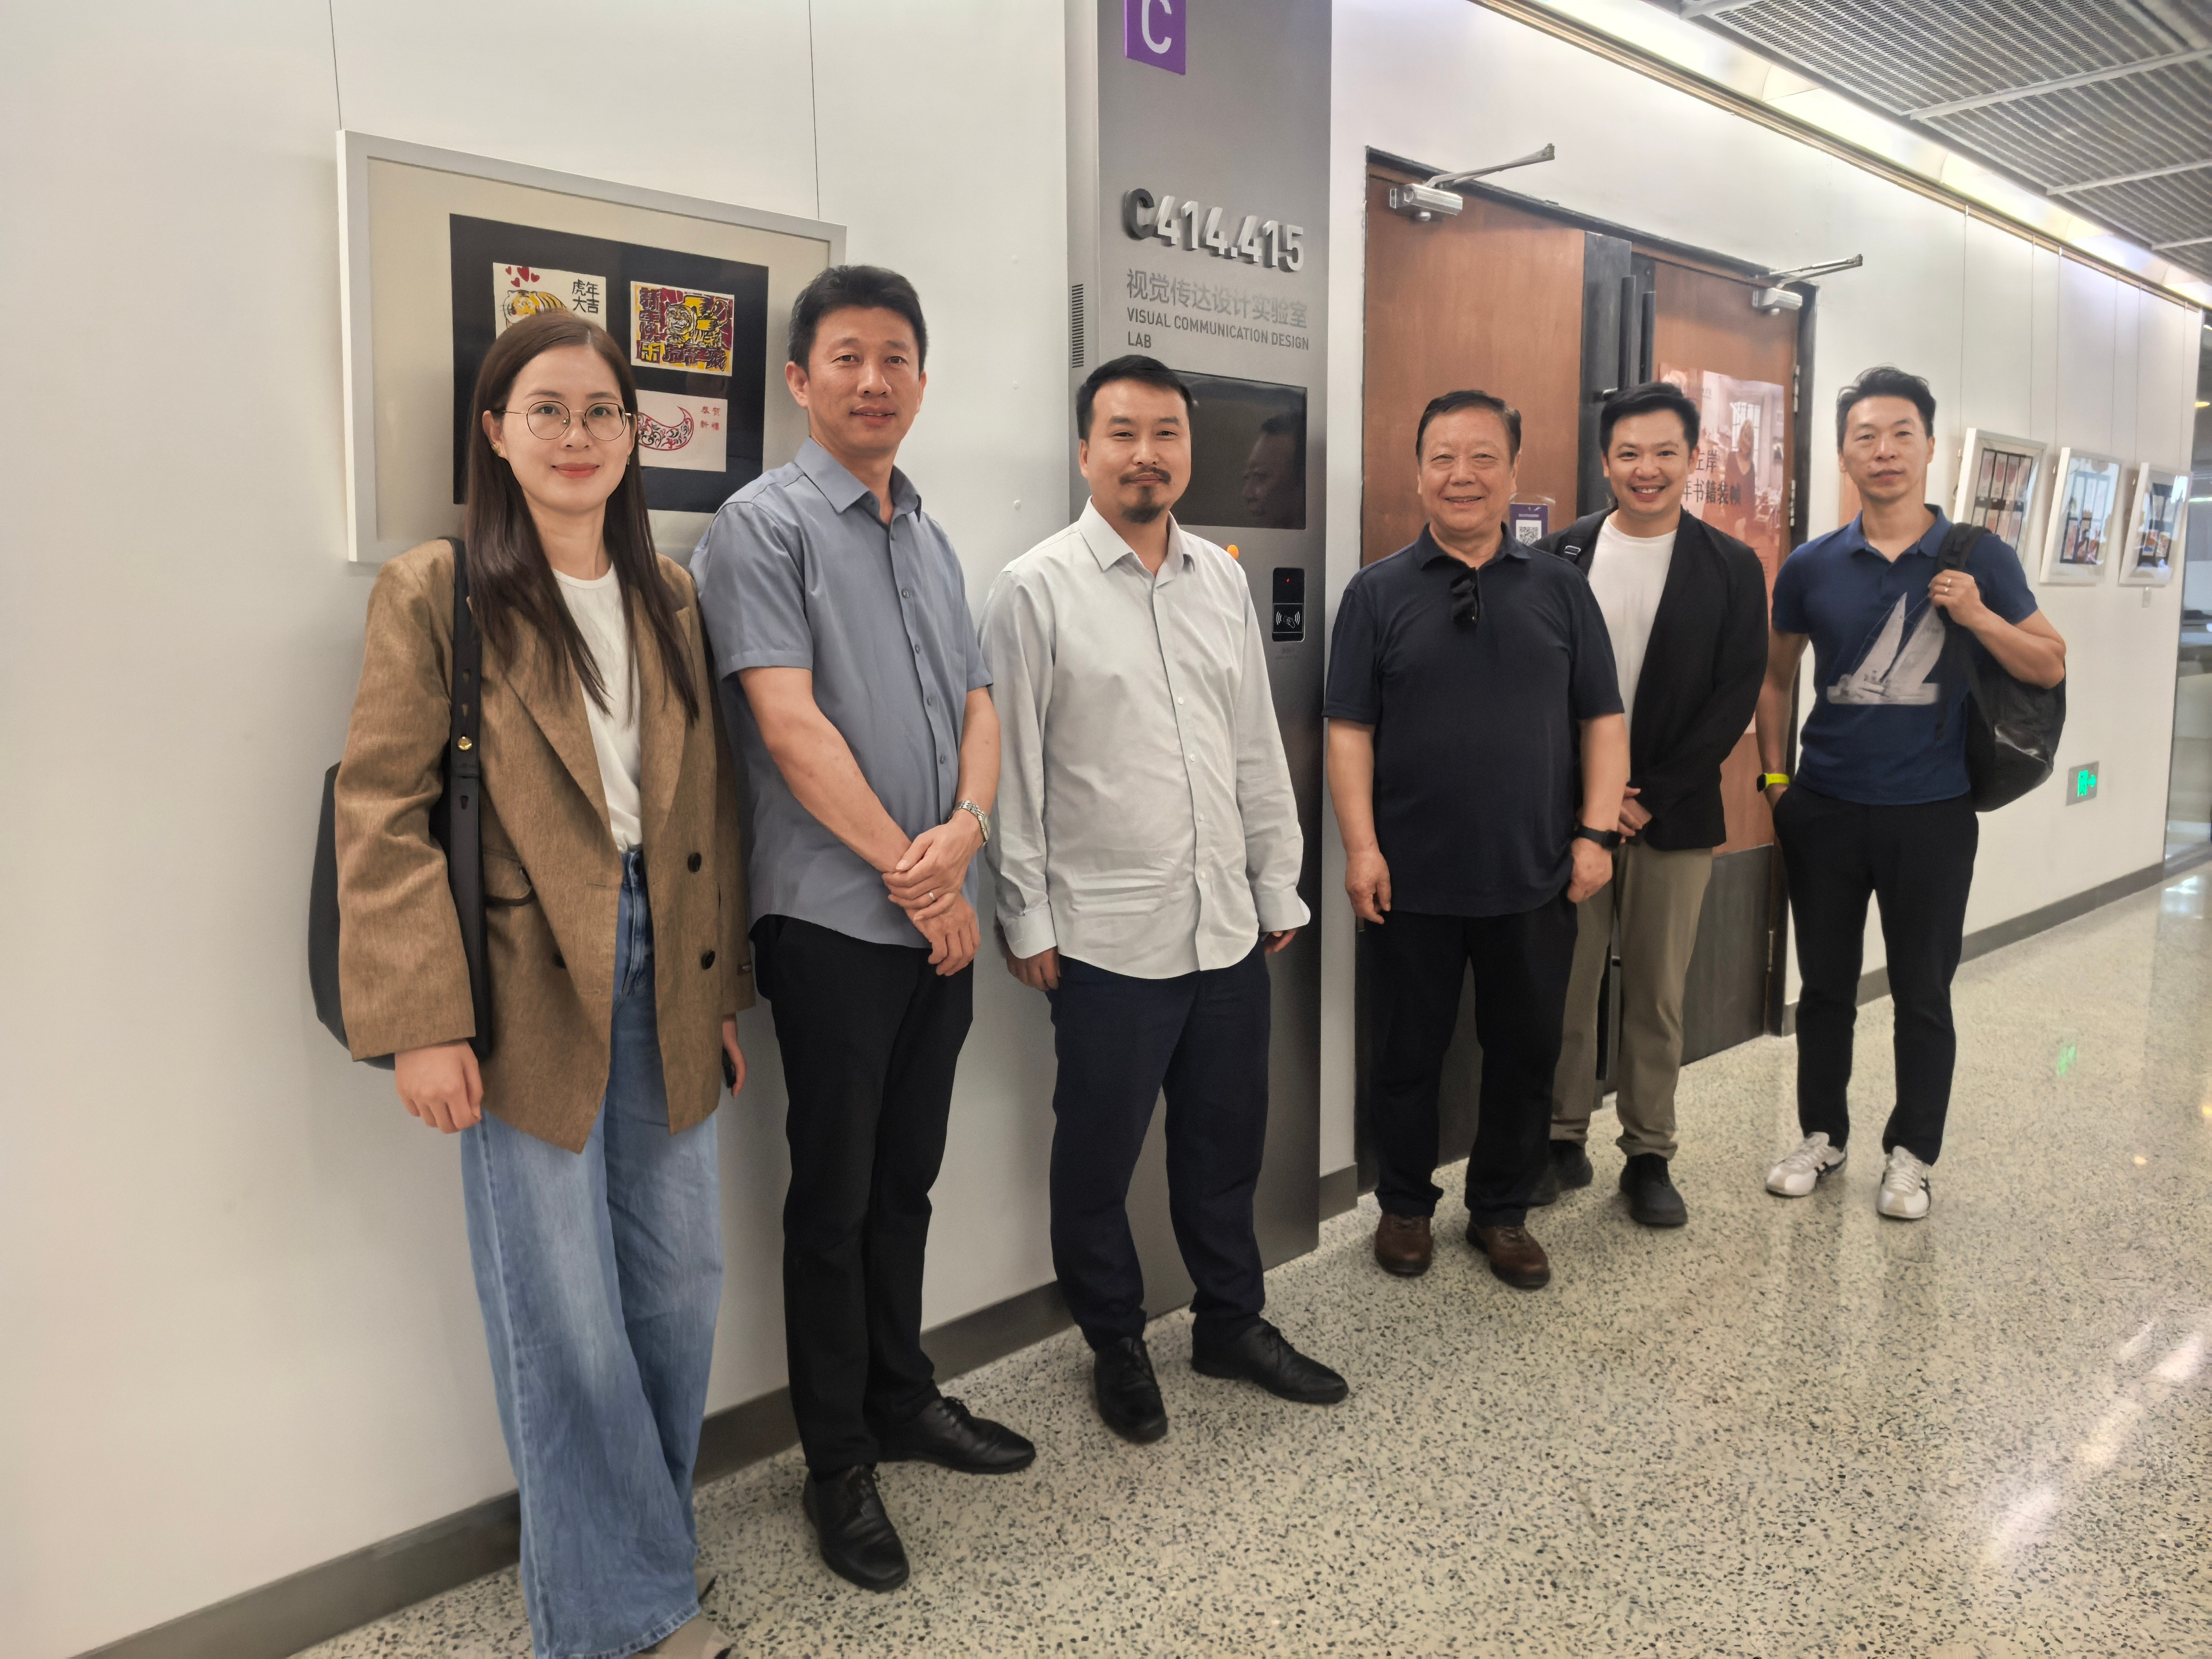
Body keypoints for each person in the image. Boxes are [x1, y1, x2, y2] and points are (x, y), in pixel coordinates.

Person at [335, 311, 750, 1659]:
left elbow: (708, 802)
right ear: (496, 434)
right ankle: (617, 1617)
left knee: (678, 1286)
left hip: (665, 963)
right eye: (547, 411)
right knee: (560, 1311)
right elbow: (382, 811)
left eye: (600, 412)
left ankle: (639, 1561)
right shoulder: (438, 588)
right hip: (517, 981)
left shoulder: (667, 592)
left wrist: (719, 992)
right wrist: (422, 1023)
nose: (577, 436)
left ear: (635, 435)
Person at [690, 265, 1031, 1595]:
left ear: (922, 381)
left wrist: (968, 831)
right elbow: (786, 727)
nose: (872, 380)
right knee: (830, 1201)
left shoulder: (929, 534)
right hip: (832, 921)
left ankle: (901, 1396)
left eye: (895, 358)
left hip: (934, 914)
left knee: (905, 1182)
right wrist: (915, 872)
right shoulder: (759, 528)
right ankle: (834, 1461)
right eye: (845, 357)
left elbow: (979, 703)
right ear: (798, 378)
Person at [981, 356, 1346, 1445]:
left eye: (1167, 434)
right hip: (1104, 937)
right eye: (1123, 433)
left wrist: (1276, 881)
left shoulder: (1220, 578)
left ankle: (1231, 1322)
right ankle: (1115, 1341)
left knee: (1223, 1148)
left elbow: (1252, 745)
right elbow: (1012, 773)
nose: (1146, 455)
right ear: (1084, 450)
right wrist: (1026, 917)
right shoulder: (1034, 589)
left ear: (1189, 450)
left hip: (1225, 927)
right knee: (1096, 1162)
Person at [1326, 389, 1629, 1289]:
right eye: (1444, 458)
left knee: (1526, 1055)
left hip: (1535, 875)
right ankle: (1405, 1206)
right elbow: (1349, 731)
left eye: (1483, 457)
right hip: (1408, 880)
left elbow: (1603, 720)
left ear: (1512, 471)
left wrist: (1596, 834)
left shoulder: (1562, 588)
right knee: (1406, 1056)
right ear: (1418, 472)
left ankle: (1501, 1209)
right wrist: (1361, 848)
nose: (1462, 475)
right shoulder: (1375, 593)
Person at [1756, 366, 2066, 1220]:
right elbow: (1774, 680)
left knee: (1924, 993)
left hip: (1933, 813)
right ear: (1844, 454)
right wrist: (1777, 784)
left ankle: (1912, 1155)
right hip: (1824, 808)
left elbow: (2049, 663)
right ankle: (1823, 1136)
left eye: (1901, 434)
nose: (1884, 451)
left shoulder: (1978, 557)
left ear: (1930, 448)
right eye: (1866, 436)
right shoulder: (1812, 566)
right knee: (1824, 989)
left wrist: (1979, 615)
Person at [1534, 381, 1768, 1226]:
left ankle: (1649, 1153)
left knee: (1657, 994)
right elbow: (1538, 687)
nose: (1647, 468)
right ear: (1605, 461)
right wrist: (1594, 798)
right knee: (1565, 985)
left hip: (1675, 816)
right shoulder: (1560, 556)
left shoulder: (1731, 566)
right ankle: (1560, 1137)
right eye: (1629, 452)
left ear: (1692, 458)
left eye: (1666, 451)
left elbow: (1734, 696)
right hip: (1571, 816)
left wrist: (1648, 797)